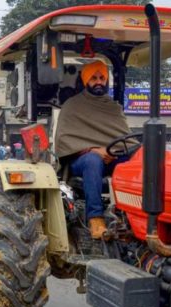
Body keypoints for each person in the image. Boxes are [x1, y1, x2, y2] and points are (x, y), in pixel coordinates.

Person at [55, 60, 132, 240]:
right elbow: (64, 141)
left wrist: (111, 151)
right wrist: (94, 150)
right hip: (81, 161)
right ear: (85, 81)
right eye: (94, 78)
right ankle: (95, 219)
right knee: (92, 160)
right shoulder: (71, 106)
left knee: (137, 157)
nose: (98, 82)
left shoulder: (113, 107)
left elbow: (125, 138)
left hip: (112, 157)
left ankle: (132, 213)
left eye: (102, 78)